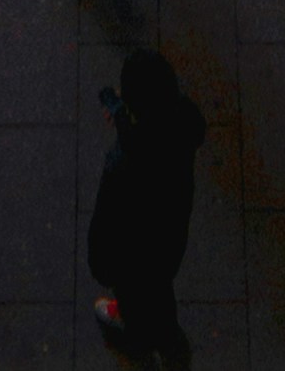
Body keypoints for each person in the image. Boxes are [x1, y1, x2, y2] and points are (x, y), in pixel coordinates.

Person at [89, 42, 205, 369]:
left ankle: (137, 337)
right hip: (168, 242)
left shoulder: (123, 166)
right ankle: (172, 346)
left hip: (133, 259)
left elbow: (105, 224)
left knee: (137, 299)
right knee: (160, 295)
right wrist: (126, 119)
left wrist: (101, 266)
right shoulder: (184, 122)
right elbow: (151, 138)